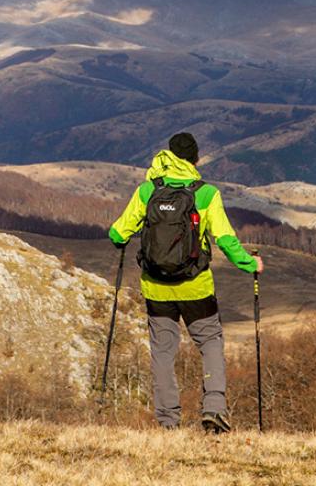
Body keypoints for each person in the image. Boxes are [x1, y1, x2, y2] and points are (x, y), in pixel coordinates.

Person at [108, 132, 262, 432]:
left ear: (167, 156)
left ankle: (168, 423)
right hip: (196, 286)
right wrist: (250, 264)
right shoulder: (205, 194)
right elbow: (226, 240)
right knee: (210, 344)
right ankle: (214, 411)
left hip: (156, 287)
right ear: (195, 159)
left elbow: (117, 234)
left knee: (163, 352)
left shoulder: (147, 191)